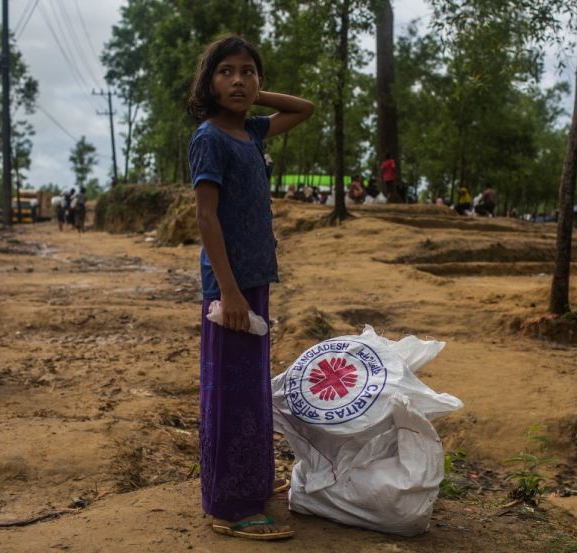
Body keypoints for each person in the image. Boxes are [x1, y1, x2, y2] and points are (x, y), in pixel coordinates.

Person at [187, 34, 313, 541]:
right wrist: (229, 292)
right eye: (226, 72)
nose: (238, 80)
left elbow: (304, 108)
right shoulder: (209, 138)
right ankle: (231, 507)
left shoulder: (253, 133)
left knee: (251, 390)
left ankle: (248, 487)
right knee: (232, 393)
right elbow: (206, 215)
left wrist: (254, 96)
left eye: (248, 72)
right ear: (208, 82)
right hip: (230, 289)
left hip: (255, 281)